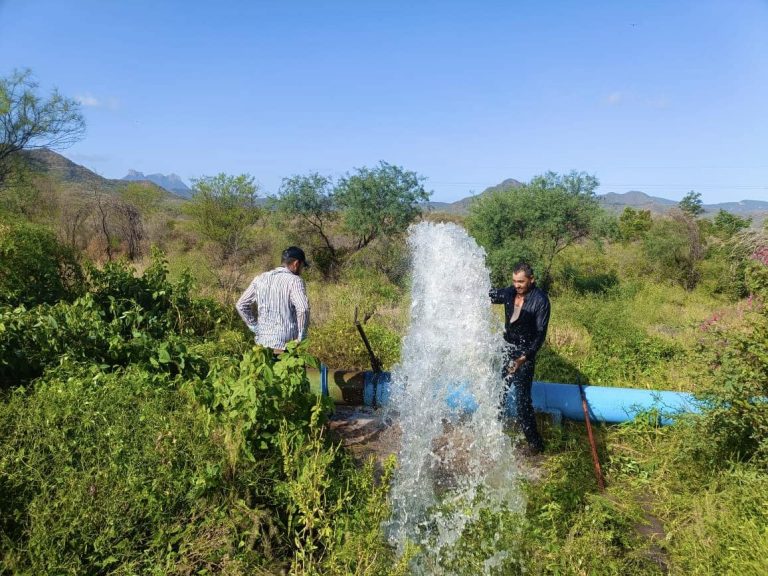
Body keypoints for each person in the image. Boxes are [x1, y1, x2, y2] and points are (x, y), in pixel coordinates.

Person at [489, 262, 551, 454]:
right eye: (515, 281)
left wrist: (523, 358)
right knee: (499, 391)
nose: (517, 285)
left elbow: (540, 335)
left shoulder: (540, 301)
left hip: (525, 353)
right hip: (508, 349)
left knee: (522, 400)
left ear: (531, 280)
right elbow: (488, 294)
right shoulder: (509, 293)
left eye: (521, 282)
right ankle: (493, 433)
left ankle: (535, 444)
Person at [236, 246, 310, 354]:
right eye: (302, 266)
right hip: (286, 346)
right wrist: (301, 337)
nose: (302, 270)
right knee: (288, 370)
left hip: (262, 346)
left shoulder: (260, 278)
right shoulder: (295, 281)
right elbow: (303, 309)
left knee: (265, 371)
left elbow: (241, 305)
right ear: (296, 264)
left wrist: (255, 327)